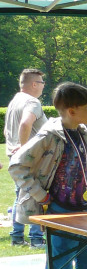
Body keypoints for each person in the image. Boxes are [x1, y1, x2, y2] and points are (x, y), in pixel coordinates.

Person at [10, 82, 87, 269]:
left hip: (86, 210)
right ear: (72, 111)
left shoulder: (84, 132)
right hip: (59, 212)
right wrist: (41, 195)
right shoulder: (49, 136)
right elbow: (17, 166)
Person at [5, 69, 48, 248]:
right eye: (42, 82)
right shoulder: (32, 102)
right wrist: (25, 149)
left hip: (14, 157)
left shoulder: (14, 101)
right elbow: (25, 123)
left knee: (21, 195)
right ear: (34, 84)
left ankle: (16, 237)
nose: (44, 86)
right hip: (30, 158)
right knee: (36, 195)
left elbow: (7, 131)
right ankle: (36, 239)